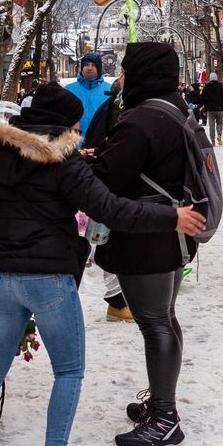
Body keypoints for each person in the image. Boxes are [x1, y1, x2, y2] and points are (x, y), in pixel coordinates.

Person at [0, 84, 203, 446]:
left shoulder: (1, 157)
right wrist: (172, 217)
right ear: (64, 126)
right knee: (68, 373)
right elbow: (113, 209)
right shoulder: (64, 163)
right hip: (50, 280)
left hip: (3, 278)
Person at [88, 42, 202, 446]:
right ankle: (159, 403)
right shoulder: (175, 109)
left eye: (126, 69)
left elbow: (106, 177)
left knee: (154, 323)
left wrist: (86, 160)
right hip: (172, 231)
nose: (121, 77)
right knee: (165, 318)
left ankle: (165, 418)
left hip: (146, 237)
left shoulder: (143, 120)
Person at [83, 74, 133, 322]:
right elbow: (112, 139)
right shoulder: (116, 103)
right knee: (111, 237)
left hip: (112, 175)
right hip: (111, 178)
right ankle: (116, 300)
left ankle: (122, 299)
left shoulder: (125, 101)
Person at [64, 52, 113, 129]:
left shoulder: (110, 90)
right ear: (82, 67)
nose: (90, 68)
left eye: (93, 65)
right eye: (86, 65)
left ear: (99, 68)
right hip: (76, 139)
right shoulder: (69, 90)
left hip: (100, 140)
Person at [200, 72, 223, 145]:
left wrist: (206, 105)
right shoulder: (221, 87)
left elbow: (202, 98)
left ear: (210, 78)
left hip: (210, 109)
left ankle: (212, 140)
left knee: (211, 125)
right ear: (216, 78)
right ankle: (219, 134)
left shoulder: (206, 87)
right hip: (219, 109)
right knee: (219, 123)